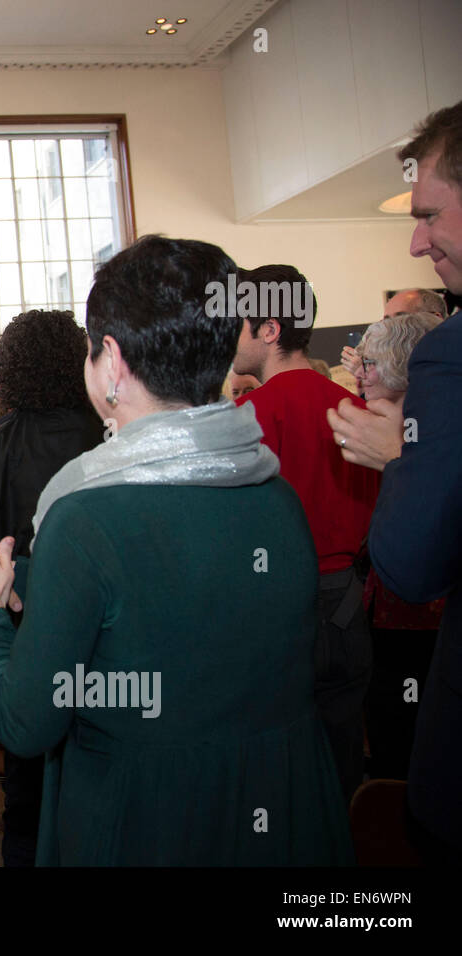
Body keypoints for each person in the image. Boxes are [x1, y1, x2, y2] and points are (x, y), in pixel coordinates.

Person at [0, 236, 353, 865]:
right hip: (280, 810)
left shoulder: (84, 516)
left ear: (113, 364)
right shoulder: (275, 495)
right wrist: (25, 578)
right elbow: (167, 598)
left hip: (147, 820)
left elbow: (24, 718)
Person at [334, 100, 462, 861]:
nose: (416, 243)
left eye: (428, 214)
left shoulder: (449, 361)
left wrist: (402, 460)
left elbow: (411, 566)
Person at [0, 309, 104, 866]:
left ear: (7, 370)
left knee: (27, 810)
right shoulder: (113, 436)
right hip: (112, 656)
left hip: (20, 653)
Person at [233, 263, 380, 804]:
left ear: (269, 329)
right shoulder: (357, 411)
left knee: (280, 780)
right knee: (343, 770)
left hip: (277, 610)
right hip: (347, 609)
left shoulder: (247, 417)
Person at [338, 287, 448, 381]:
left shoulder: (450, 364)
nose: (390, 328)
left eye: (400, 318)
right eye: (387, 320)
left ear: (434, 319)